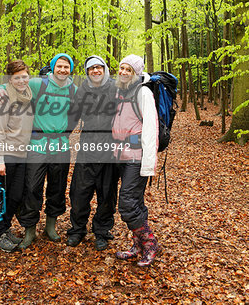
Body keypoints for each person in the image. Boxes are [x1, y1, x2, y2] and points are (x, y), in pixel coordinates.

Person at [18, 53, 76, 249]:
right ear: (53, 67)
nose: (62, 70)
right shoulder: (37, 84)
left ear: (71, 69)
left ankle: (51, 227)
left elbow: (76, 114)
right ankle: (30, 230)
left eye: (66, 67)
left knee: (57, 187)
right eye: (59, 66)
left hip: (60, 145)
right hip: (37, 143)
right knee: (32, 186)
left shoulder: (73, 90)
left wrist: (65, 133)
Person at [112, 54, 160, 267]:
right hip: (121, 155)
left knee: (127, 203)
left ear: (136, 73)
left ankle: (150, 243)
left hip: (137, 157)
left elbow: (151, 129)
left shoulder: (143, 92)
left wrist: (149, 164)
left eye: (128, 70)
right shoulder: (121, 91)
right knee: (136, 201)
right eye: (121, 68)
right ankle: (137, 245)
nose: (123, 72)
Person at [66, 56, 118, 250]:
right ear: (87, 72)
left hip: (110, 148)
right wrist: (61, 136)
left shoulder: (115, 87)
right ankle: (77, 230)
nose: (95, 71)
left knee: (107, 193)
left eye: (98, 67)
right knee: (79, 191)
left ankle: (102, 231)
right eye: (91, 69)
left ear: (104, 69)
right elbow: (73, 115)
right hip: (87, 146)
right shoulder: (83, 89)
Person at [0, 60, 34, 253]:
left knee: (14, 197)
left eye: (24, 76)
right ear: (10, 79)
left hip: (19, 154)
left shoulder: (28, 94)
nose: (22, 80)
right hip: (2, 154)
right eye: (17, 77)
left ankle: (4, 229)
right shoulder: (3, 97)